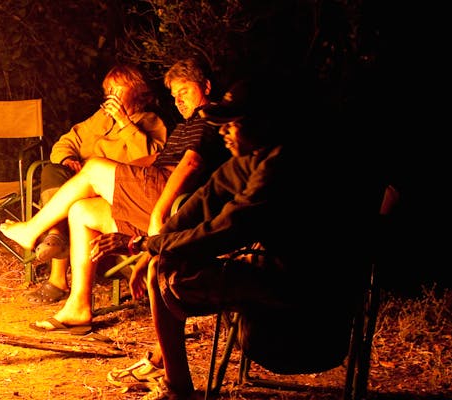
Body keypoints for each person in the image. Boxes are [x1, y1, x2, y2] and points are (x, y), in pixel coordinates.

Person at [88, 87, 370, 399]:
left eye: (232, 124)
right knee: (162, 263)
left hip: (309, 291)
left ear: (262, 123)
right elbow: (203, 203)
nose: (223, 132)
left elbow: (226, 229)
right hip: (278, 270)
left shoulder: (283, 164)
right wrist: (155, 245)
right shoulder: (253, 159)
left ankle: (179, 389)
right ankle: (175, 381)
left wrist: (145, 245)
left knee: (164, 273)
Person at [0, 57, 230, 334]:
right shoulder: (186, 125)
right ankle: (78, 307)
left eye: (185, 92)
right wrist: (112, 173)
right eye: (174, 95)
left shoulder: (211, 119)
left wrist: (160, 216)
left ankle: (32, 230)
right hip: (154, 193)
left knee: (95, 167)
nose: (179, 101)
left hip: (173, 203)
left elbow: (189, 166)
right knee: (81, 211)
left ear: (206, 86)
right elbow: (155, 158)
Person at [25, 64, 168, 305]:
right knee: (53, 170)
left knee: (75, 202)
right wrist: (69, 159)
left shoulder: (151, 121)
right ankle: (56, 237)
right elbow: (65, 142)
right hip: (81, 183)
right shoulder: (100, 119)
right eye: (107, 89)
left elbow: (152, 161)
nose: (110, 93)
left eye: (117, 88)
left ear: (137, 91)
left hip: (115, 192)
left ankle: (57, 275)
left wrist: (124, 123)